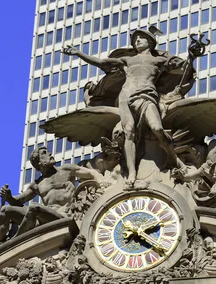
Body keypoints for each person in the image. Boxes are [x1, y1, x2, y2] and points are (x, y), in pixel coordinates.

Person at [63, 29, 184, 186]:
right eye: (135, 39)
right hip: (126, 96)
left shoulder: (159, 61)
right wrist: (78, 53)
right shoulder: (128, 60)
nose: (137, 41)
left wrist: (193, 57)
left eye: (141, 38)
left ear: (151, 42)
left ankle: (174, 159)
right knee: (129, 132)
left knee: (157, 128)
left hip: (146, 95)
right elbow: (100, 62)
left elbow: (182, 69)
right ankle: (132, 172)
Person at [0, 147, 118, 247]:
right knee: (5, 211)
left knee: (34, 208)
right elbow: (19, 201)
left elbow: (92, 173)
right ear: (39, 163)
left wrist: (102, 185)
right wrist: (8, 196)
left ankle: (15, 243)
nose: (50, 153)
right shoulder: (37, 184)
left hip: (63, 215)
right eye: (44, 153)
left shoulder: (66, 170)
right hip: (42, 217)